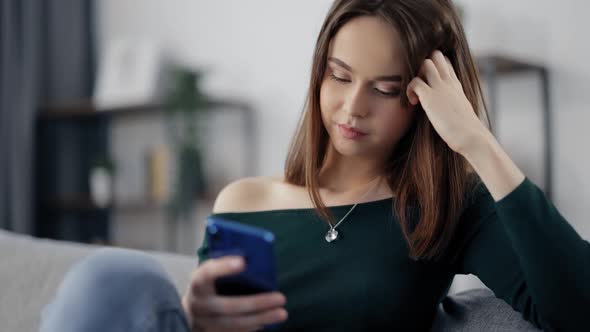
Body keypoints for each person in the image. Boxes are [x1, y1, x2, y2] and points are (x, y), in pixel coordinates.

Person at [40, 0, 590, 331]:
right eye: (340, 75)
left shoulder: (444, 210)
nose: (352, 108)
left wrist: (476, 140)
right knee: (111, 276)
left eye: (385, 88)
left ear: (424, 96)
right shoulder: (243, 201)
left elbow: (577, 309)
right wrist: (192, 313)